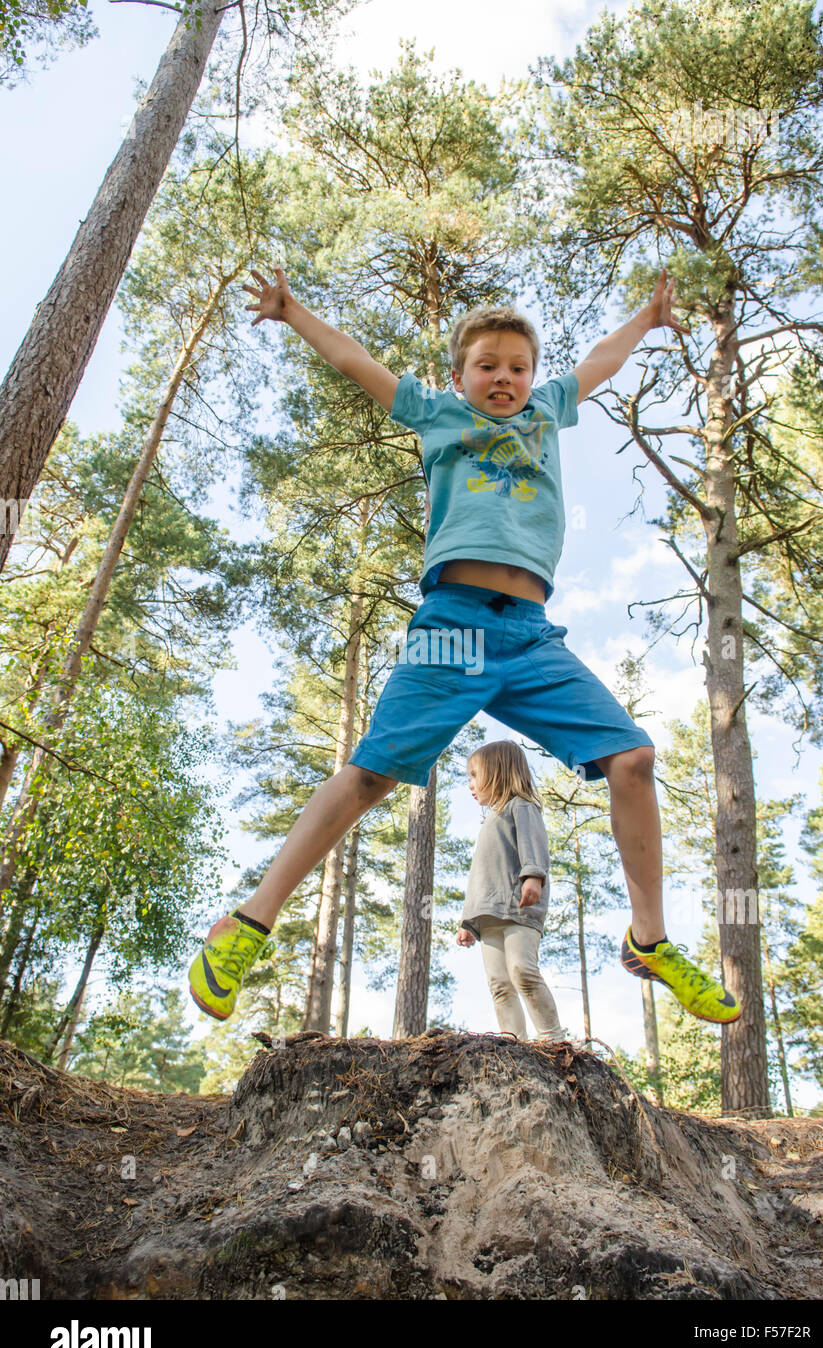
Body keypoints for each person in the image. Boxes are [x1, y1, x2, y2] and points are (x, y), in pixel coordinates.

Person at [188, 265, 741, 1028]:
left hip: (529, 634)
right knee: (369, 777)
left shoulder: (548, 411)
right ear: (460, 375)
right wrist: (292, 311)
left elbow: (598, 364)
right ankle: (245, 923)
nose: (505, 378)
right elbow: (358, 362)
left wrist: (644, 321)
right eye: (488, 366)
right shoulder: (436, 415)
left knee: (633, 758)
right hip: (451, 623)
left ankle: (649, 940)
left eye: (517, 367)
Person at [457, 740, 565, 1043]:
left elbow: (534, 845)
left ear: (498, 773)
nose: (470, 785)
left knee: (521, 970)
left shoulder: (522, 806)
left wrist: (533, 876)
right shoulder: (489, 821)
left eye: (475, 776)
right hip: (487, 914)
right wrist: (468, 921)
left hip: (518, 907)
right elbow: (480, 875)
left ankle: (552, 1038)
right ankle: (512, 1041)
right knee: (499, 982)